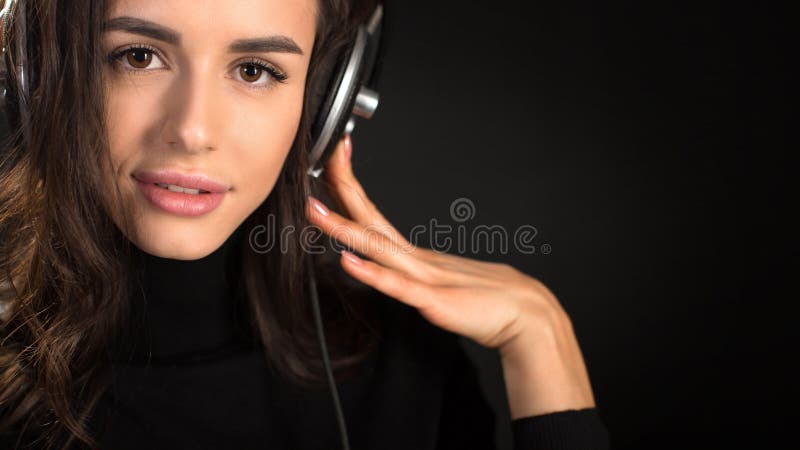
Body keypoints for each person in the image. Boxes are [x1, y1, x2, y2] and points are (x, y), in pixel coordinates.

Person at [0, 0, 610, 449]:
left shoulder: (402, 370)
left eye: (255, 70)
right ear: (35, 72)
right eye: (139, 56)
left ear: (325, 105)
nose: (191, 129)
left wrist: (541, 337)